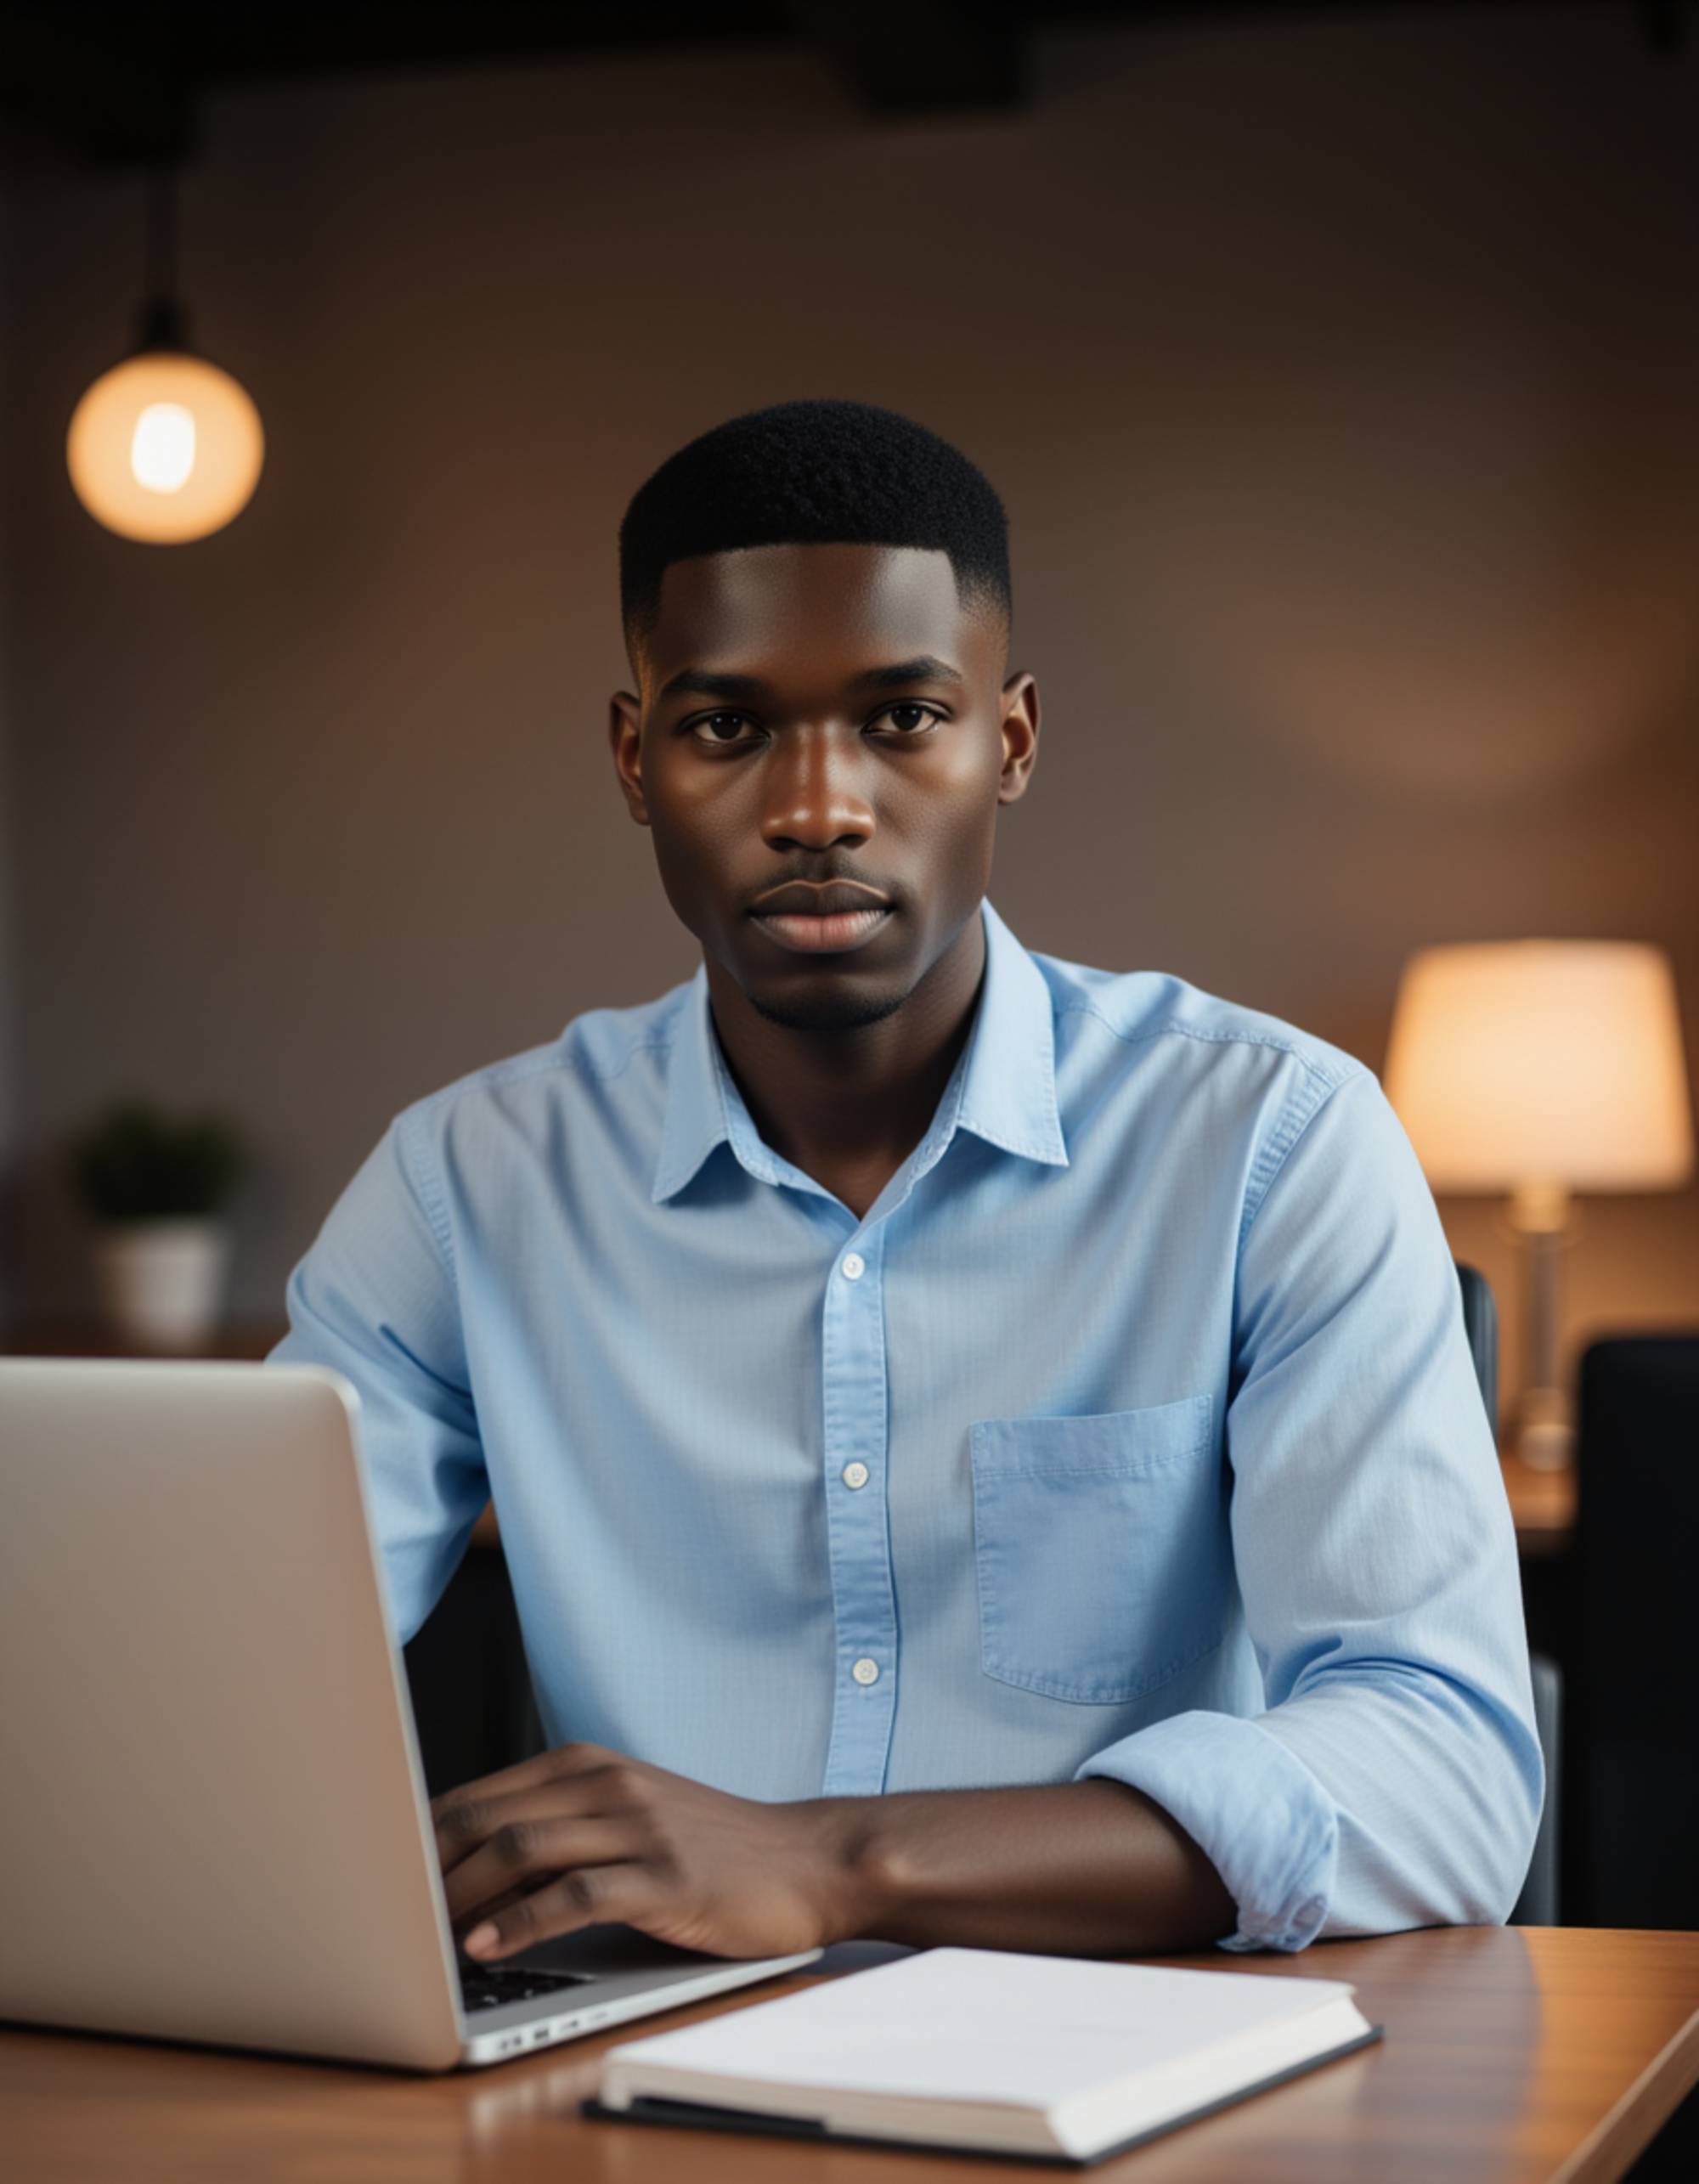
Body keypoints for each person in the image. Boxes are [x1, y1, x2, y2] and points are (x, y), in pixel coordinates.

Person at [268, 398, 1542, 1968]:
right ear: (633, 758)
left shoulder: (1274, 1140)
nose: (816, 806)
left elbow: (1450, 1772)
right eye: (726, 726)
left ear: (1006, 742)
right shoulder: (469, 1184)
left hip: (1133, 2076)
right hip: (644, 2082)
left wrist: (837, 1864)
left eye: (900, 718)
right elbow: (215, 1659)